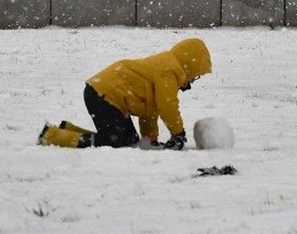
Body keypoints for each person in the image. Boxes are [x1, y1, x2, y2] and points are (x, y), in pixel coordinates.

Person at [38, 38, 212, 150]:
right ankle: (52, 136)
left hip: (102, 93)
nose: (193, 80)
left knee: (129, 141)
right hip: (104, 95)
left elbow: (151, 110)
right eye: (196, 75)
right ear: (190, 65)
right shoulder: (170, 69)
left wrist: (149, 140)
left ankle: (67, 131)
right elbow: (167, 105)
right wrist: (178, 133)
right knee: (116, 142)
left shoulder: (166, 66)